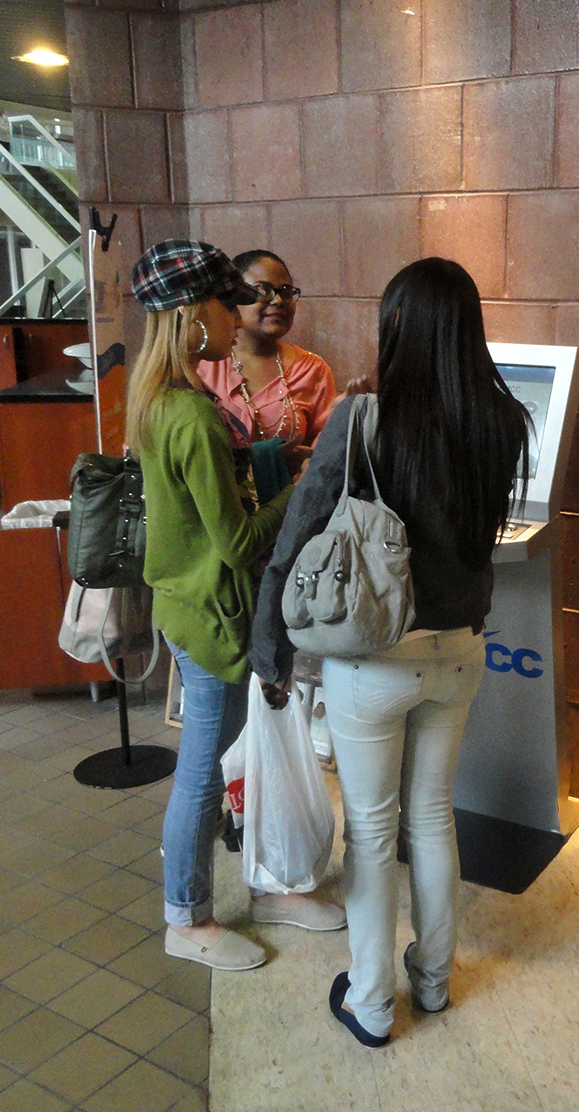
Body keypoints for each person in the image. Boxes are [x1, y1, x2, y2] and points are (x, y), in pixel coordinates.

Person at [251, 258, 530, 1048]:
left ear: (396, 325)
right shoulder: (503, 420)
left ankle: (371, 1000)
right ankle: (434, 979)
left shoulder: (362, 417)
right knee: (432, 816)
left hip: (373, 658)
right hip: (460, 651)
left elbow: (298, 533)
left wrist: (270, 647)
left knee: (372, 832)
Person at [125, 239, 333, 973]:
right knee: (202, 775)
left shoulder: (163, 400)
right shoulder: (191, 415)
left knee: (230, 759)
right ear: (191, 313)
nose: (236, 315)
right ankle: (186, 917)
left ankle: (268, 884)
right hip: (212, 619)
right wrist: (303, 490)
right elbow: (241, 540)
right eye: (226, 302)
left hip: (194, 607)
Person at [197, 250, 336, 505]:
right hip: (221, 510)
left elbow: (325, 455)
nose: (278, 301)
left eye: (286, 291)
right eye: (263, 290)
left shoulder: (312, 370)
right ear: (235, 298)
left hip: (291, 510)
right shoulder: (205, 365)